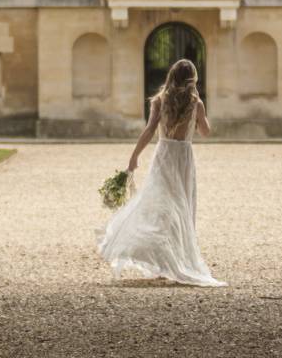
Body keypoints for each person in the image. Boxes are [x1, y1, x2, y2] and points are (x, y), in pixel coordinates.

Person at [94, 59, 228, 287]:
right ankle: (174, 258)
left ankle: (160, 260)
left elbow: (148, 131)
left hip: (163, 154)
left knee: (158, 202)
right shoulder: (196, 104)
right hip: (183, 158)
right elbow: (205, 132)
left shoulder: (159, 101)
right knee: (181, 205)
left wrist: (134, 156)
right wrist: (200, 117)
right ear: (192, 79)